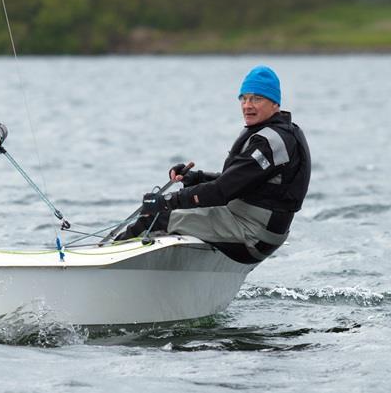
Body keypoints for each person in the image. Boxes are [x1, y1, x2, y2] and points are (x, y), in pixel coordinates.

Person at [115, 65, 311, 264]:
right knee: (171, 215)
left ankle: (109, 259)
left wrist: (165, 201)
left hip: (252, 233)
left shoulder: (269, 143)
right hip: (258, 227)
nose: (247, 105)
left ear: (274, 103)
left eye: (257, 99)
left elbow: (221, 191)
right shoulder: (278, 133)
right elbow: (242, 183)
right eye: (244, 98)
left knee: (156, 218)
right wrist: (196, 178)